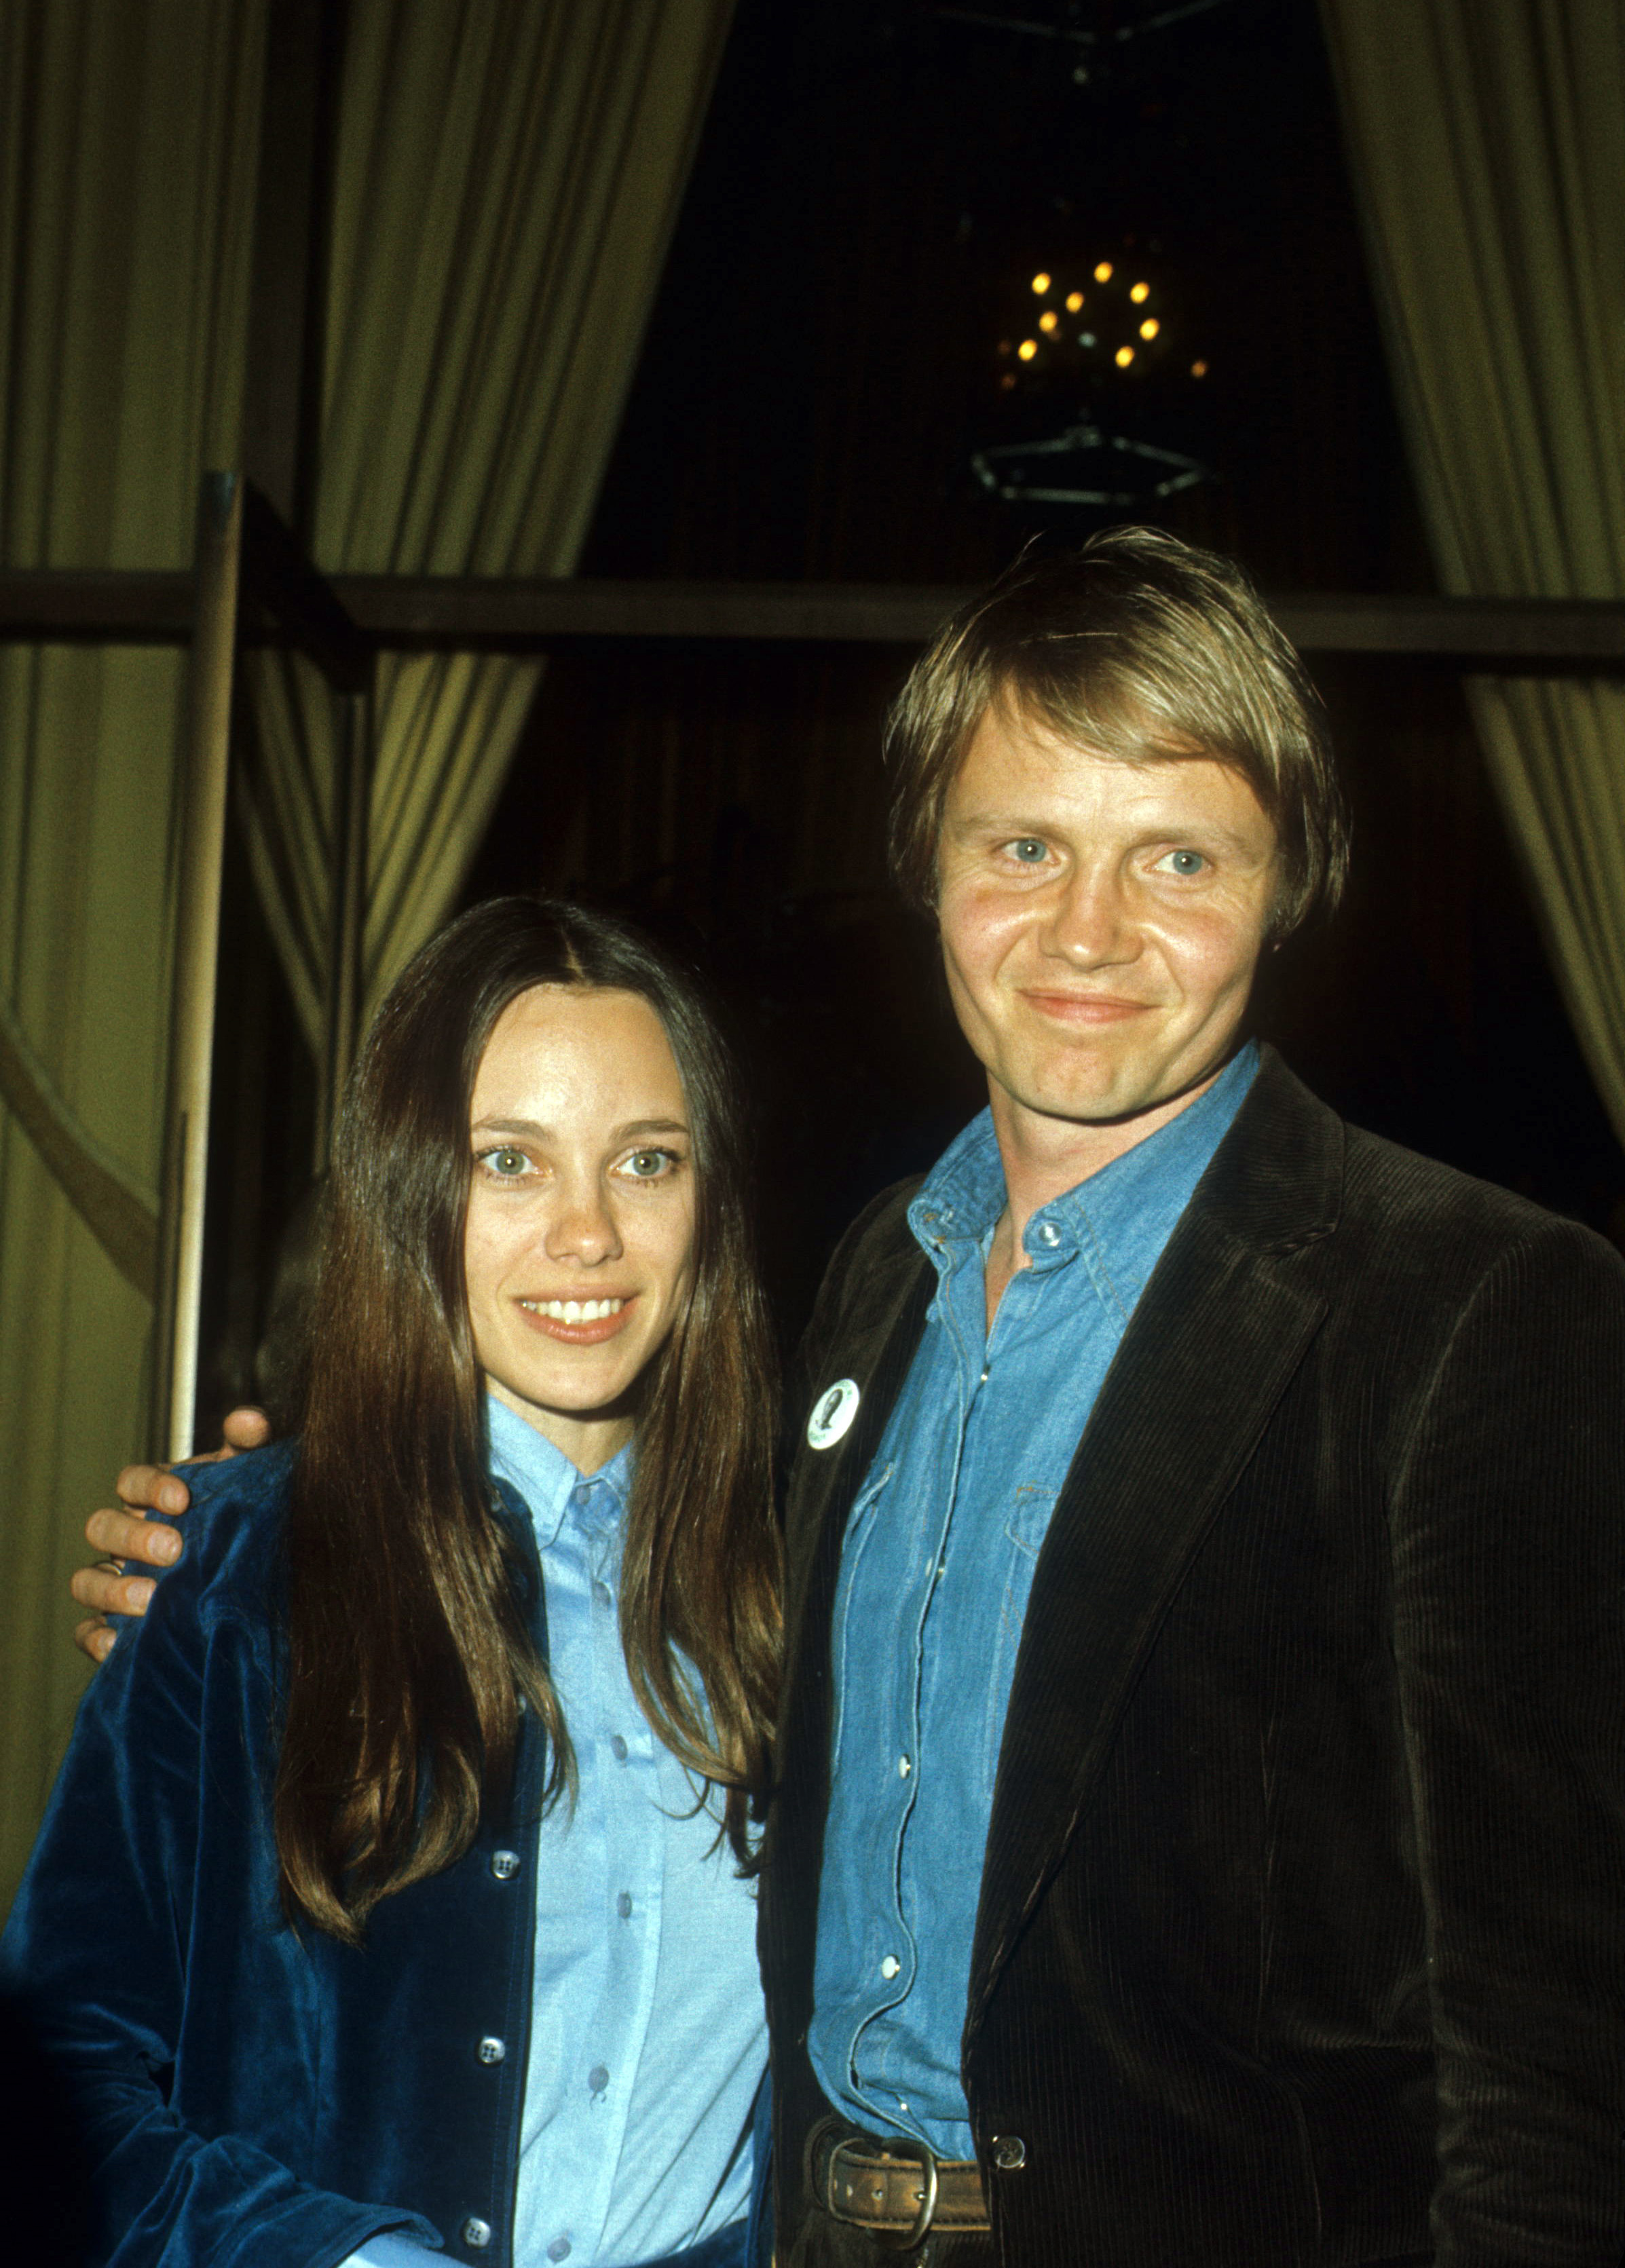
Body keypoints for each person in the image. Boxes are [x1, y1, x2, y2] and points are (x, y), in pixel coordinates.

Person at [80, 530, 1625, 2267]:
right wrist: (285, 1534)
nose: (1088, 933)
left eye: (1179, 858)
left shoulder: (1474, 1306)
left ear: (1287, 882)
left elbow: (1555, 2077)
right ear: (930, 865)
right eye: (1024, 847)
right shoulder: (876, 1280)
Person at [10, 894, 781, 2268]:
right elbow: (60, 2079)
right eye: (511, 1162)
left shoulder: (803, 1586)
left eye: (647, 1162)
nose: (588, 1233)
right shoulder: (238, 1568)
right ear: (415, 1187)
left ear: (710, 1197)